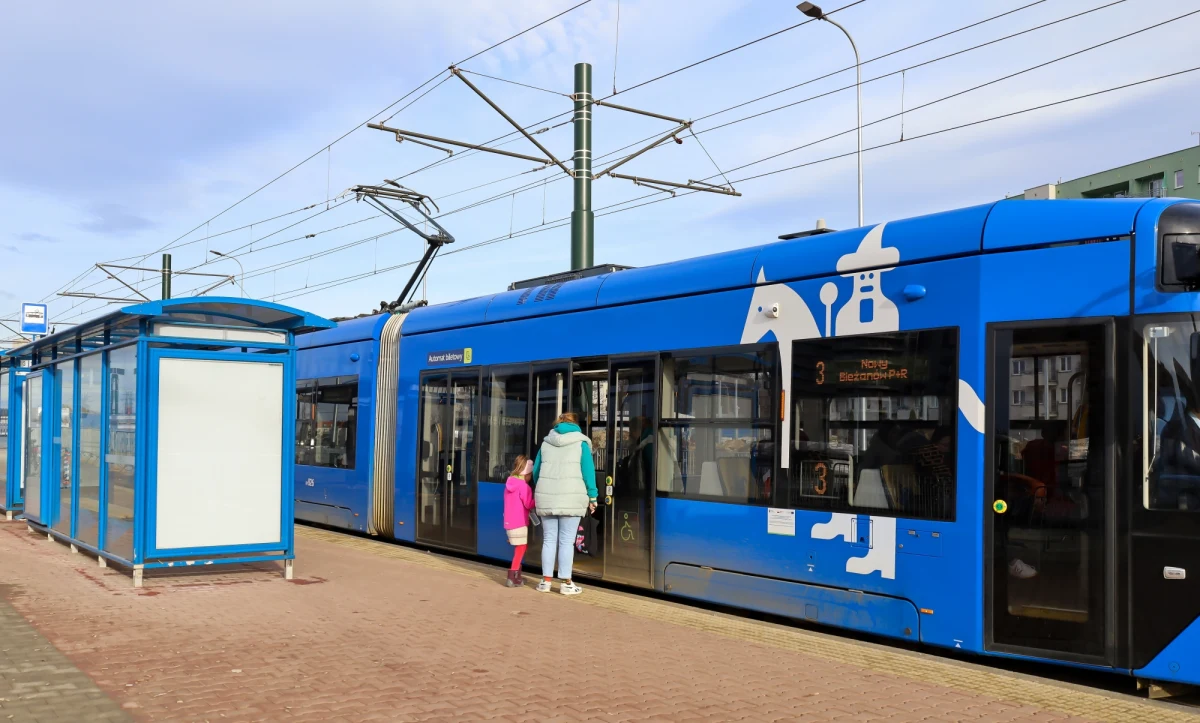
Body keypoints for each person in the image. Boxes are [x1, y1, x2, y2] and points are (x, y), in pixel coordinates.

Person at [532, 412, 598, 595]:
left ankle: (545, 582)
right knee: (567, 542)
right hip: (571, 498)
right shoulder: (581, 443)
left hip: (547, 497)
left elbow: (536, 471)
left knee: (549, 539)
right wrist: (593, 497)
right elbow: (588, 473)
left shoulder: (546, 443)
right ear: (575, 425)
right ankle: (566, 583)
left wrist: (545, 489)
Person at [502, 455, 536, 588]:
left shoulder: (509, 483)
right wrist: (537, 500)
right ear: (526, 473)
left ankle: (517, 576)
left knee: (520, 548)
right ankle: (512, 577)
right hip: (520, 522)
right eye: (530, 475)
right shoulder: (524, 487)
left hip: (509, 522)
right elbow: (528, 504)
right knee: (521, 548)